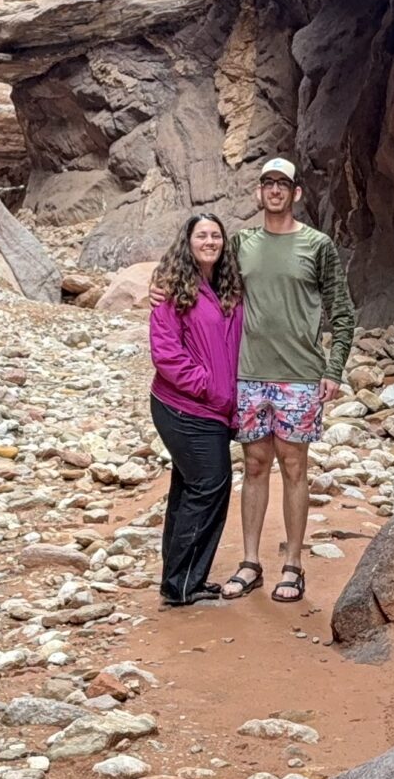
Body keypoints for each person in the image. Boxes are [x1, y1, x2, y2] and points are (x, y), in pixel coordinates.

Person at [222, 156, 356, 606]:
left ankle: (293, 565)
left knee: (295, 467)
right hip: (250, 374)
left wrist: (333, 370)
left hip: (299, 376)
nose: (275, 190)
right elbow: (209, 291)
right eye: (268, 183)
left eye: (283, 183)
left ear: (296, 192)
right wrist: (162, 291)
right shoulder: (241, 243)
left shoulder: (317, 245)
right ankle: (250, 562)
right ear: (259, 192)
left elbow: (342, 311)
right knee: (254, 465)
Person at [146, 210, 245, 607]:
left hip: (212, 409)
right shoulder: (173, 289)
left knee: (189, 487)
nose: (209, 242)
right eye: (201, 235)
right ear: (187, 243)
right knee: (209, 486)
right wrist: (210, 386)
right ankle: (183, 583)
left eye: (215, 236)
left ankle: (178, 581)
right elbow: (166, 354)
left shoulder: (228, 288)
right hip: (185, 407)